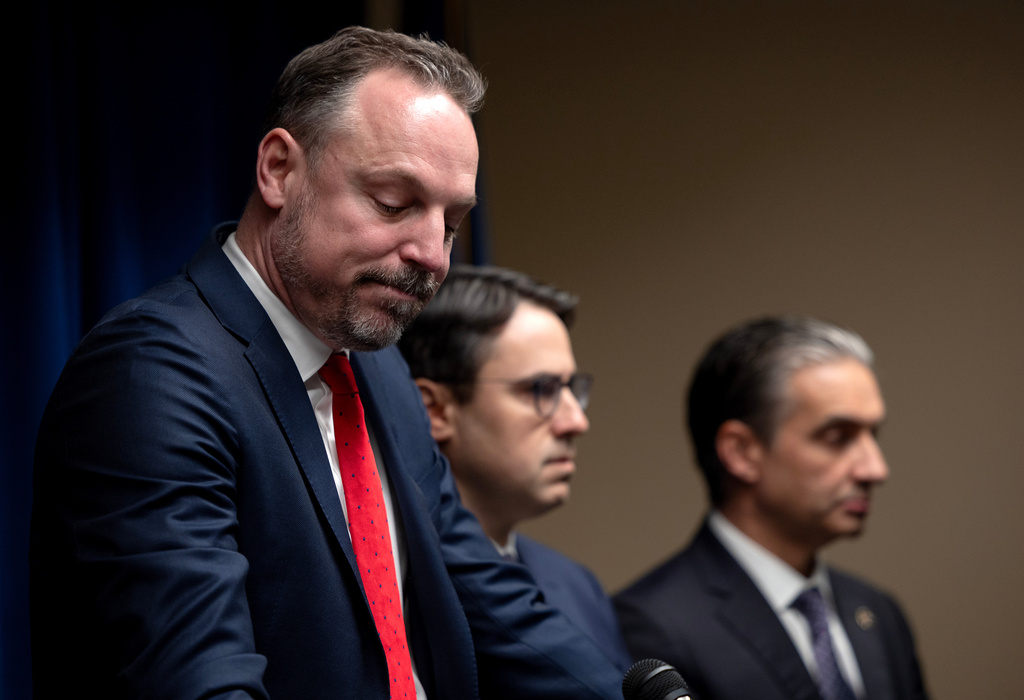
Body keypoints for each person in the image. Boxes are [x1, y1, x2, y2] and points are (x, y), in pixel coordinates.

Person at [30, 27, 624, 700]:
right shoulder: (152, 374)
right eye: (395, 203)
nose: (433, 255)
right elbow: (201, 679)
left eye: (451, 223)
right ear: (280, 169)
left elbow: (488, 600)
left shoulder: (379, 374)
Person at [614, 316, 929, 700]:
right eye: (838, 438)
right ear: (742, 452)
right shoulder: (652, 626)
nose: (875, 469)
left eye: (872, 436)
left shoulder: (877, 611)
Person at [397, 264, 633, 672]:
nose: (576, 421)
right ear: (432, 409)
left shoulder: (577, 587)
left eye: (572, 389)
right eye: (541, 390)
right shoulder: (391, 586)